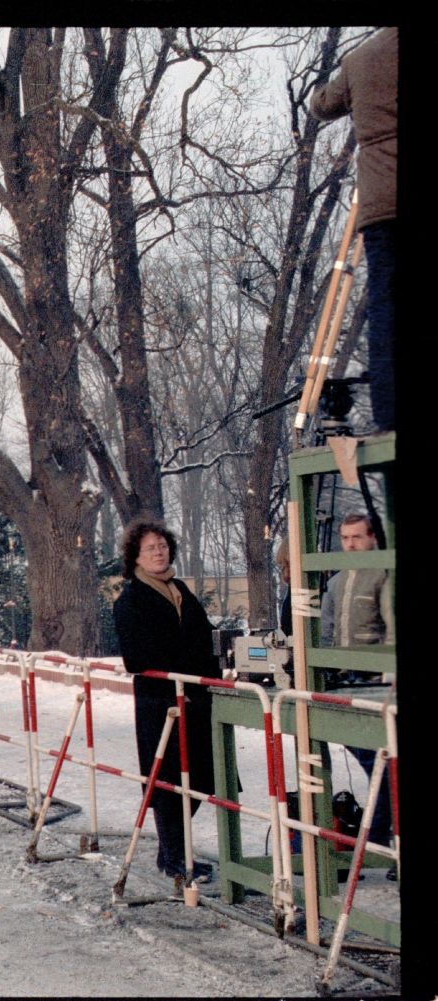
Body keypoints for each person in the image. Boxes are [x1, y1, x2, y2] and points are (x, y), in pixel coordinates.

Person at [112, 518, 220, 888]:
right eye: (150, 549)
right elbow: (136, 657)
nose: (159, 553)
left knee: (204, 777)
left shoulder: (181, 590)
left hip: (196, 698)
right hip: (161, 704)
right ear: (136, 558)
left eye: (162, 546)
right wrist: (181, 672)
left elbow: (203, 638)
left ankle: (171, 850)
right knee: (169, 781)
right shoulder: (131, 601)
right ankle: (174, 856)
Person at [310, 28, 397, 433]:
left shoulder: (361, 58)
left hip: (381, 206)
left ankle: (390, 412)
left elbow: (321, 104)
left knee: (386, 308)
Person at [319, 513, 394, 847]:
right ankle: (374, 840)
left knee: (386, 768)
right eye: (345, 538)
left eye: (357, 537)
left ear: (373, 539)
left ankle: (375, 840)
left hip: (379, 688)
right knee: (380, 767)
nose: (350, 544)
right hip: (344, 687)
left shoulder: (383, 576)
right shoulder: (335, 583)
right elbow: (326, 632)